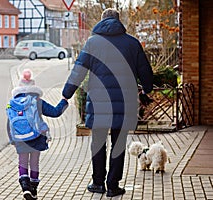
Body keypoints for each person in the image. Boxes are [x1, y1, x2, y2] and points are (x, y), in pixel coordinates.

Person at [62, 8, 153, 197]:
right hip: (124, 103)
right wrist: (147, 88)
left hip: (98, 102)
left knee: (98, 144)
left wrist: (66, 94)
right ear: (118, 21)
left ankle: (97, 183)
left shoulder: (93, 43)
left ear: (102, 22)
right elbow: (145, 70)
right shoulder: (132, 43)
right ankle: (113, 185)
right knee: (118, 144)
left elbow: (78, 70)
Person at [7, 69, 68, 200]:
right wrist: (64, 100)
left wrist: (12, 140)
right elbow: (55, 112)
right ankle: (33, 191)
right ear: (33, 88)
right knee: (34, 162)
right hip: (36, 137)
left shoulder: (13, 103)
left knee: (22, 162)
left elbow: (10, 122)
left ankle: (25, 188)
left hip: (20, 138)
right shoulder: (38, 101)